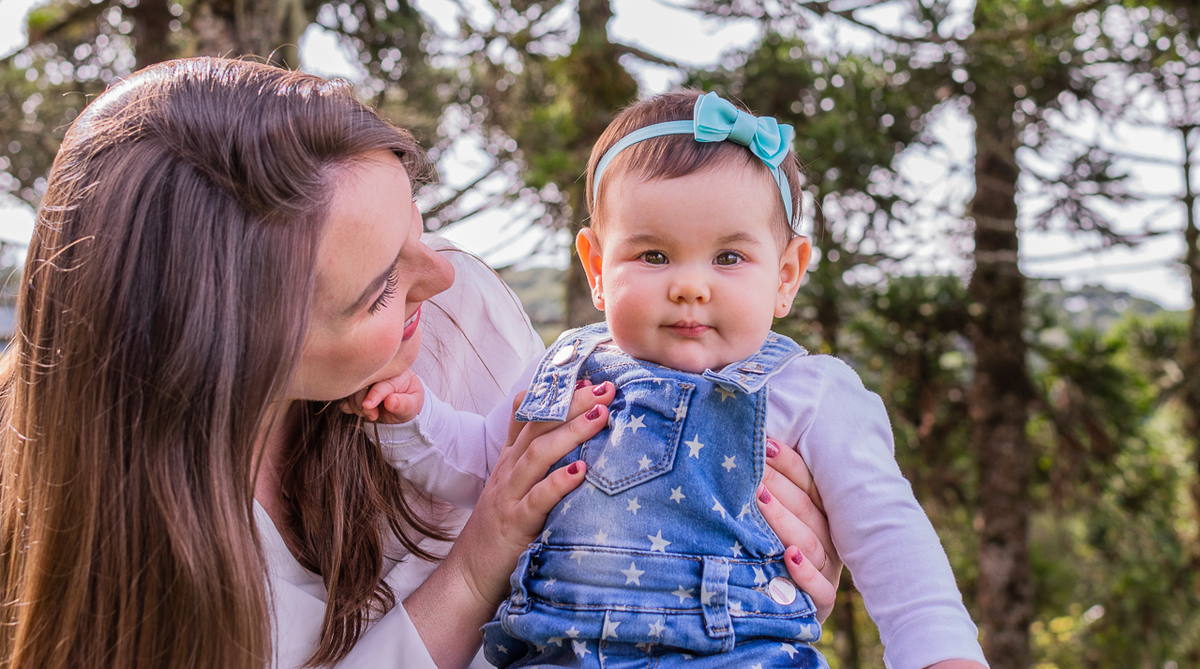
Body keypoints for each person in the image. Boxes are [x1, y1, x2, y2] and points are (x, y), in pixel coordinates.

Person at [0, 59, 837, 669]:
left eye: (415, 222)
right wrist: (475, 567)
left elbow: (623, 545)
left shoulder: (455, 321)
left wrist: (764, 596)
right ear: (232, 359)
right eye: (379, 291)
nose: (440, 274)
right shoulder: (126, 554)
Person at [358, 90, 990, 668]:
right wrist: (415, 417)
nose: (690, 285)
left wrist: (942, 657)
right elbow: (485, 470)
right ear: (597, 268)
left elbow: (890, 539)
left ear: (786, 275)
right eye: (654, 255)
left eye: (729, 257)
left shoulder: (811, 393)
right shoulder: (567, 369)